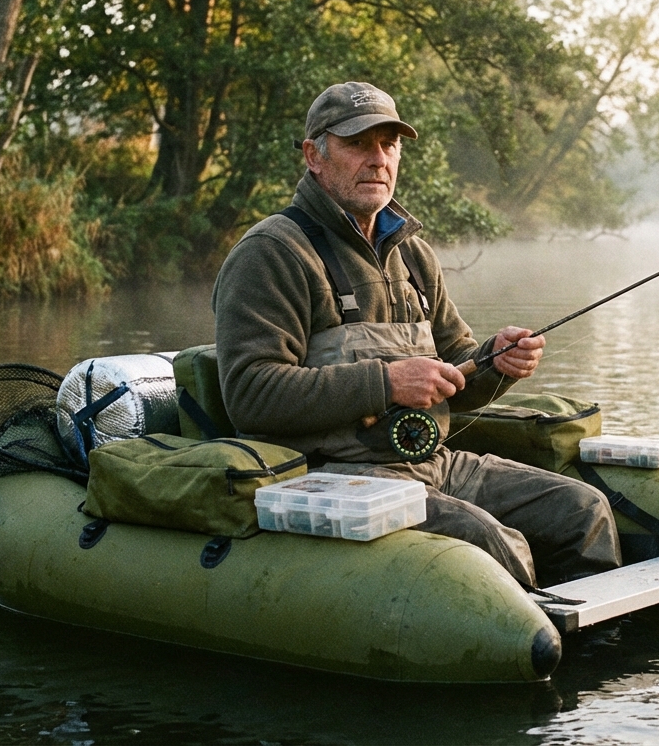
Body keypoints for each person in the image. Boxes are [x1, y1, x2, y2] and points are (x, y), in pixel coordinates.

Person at [211, 82, 621, 588]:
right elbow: (250, 395)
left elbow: (459, 373)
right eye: (358, 144)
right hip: (330, 475)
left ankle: (600, 661)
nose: (378, 159)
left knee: (584, 510)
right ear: (314, 155)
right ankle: (533, 655)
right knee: (490, 541)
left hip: (435, 463)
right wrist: (386, 382)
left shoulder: (414, 255)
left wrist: (496, 360)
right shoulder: (271, 253)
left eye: (390, 144)